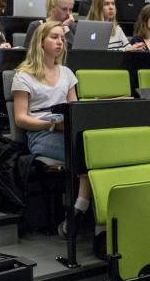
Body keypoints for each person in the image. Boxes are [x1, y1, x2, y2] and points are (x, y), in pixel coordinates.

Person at [12, 20, 91, 238]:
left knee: (95, 151)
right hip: (40, 134)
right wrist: (52, 124)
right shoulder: (23, 75)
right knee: (88, 155)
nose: (60, 42)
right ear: (41, 42)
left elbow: (74, 108)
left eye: (62, 39)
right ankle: (80, 212)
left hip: (66, 130)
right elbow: (20, 119)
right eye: (54, 37)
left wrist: (67, 124)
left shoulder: (66, 72)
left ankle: (79, 214)